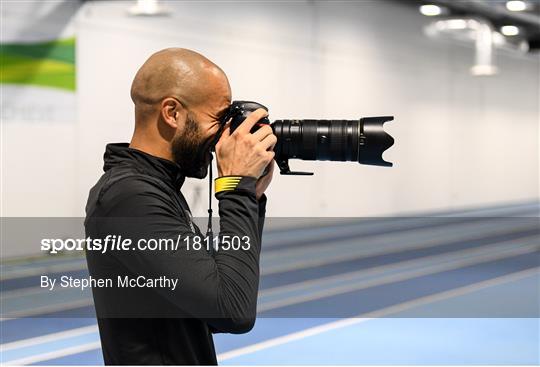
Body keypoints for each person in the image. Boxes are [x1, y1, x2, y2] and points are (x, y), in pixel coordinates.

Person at [84, 48, 276, 365]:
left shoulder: (156, 187)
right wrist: (235, 190)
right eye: (218, 119)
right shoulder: (130, 197)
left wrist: (249, 196)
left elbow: (208, 308)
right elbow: (232, 312)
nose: (224, 137)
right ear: (172, 113)